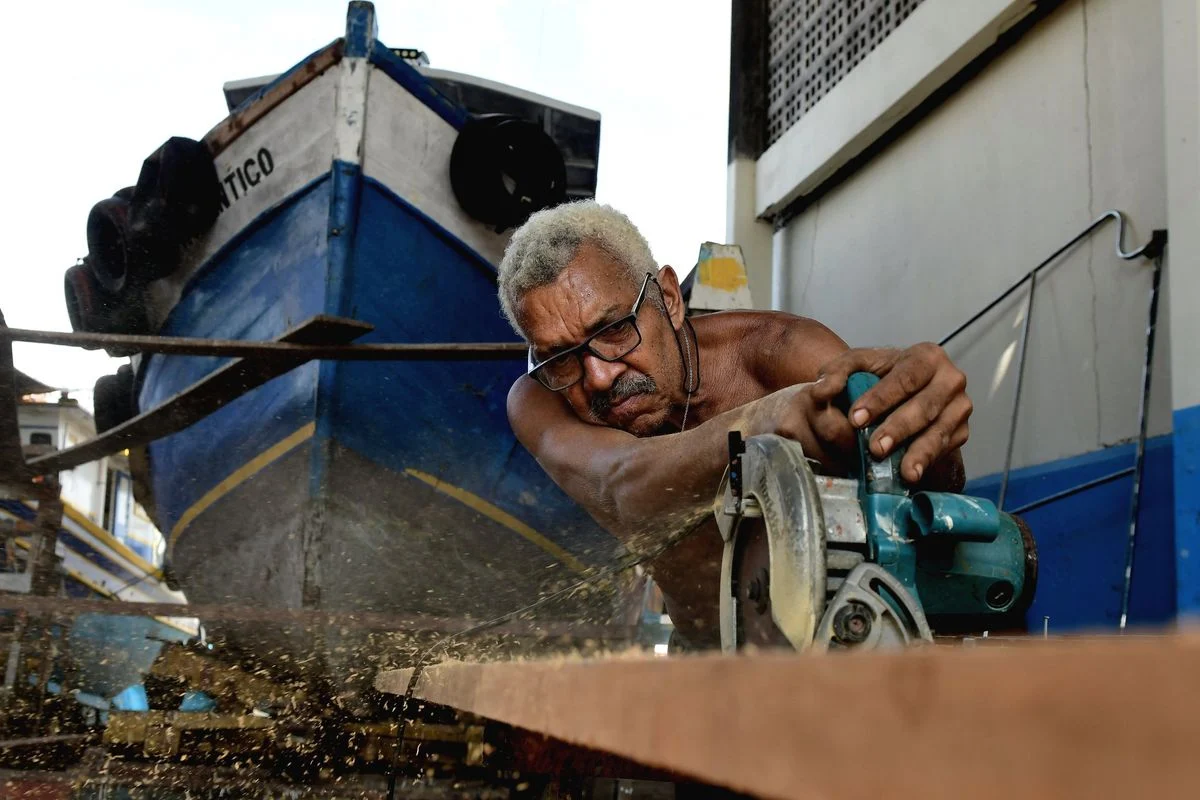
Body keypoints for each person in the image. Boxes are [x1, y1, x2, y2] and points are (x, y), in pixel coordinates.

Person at [499, 201, 972, 644]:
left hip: (843, 641)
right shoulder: (540, 397)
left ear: (668, 297)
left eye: (614, 329)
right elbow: (624, 483)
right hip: (707, 661)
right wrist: (766, 420)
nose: (599, 377)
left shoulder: (780, 352)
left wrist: (929, 425)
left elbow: (936, 483)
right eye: (561, 357)